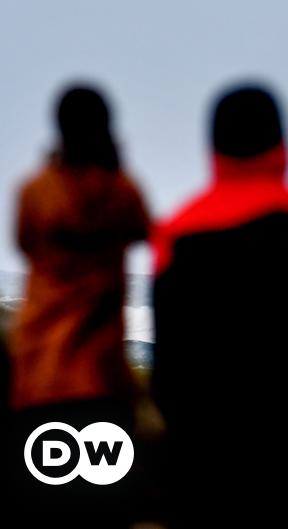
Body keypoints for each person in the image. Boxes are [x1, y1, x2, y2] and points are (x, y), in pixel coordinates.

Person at [150, 84, 288, 528]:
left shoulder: (176, 230)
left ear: (213, 146)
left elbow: (168, 362)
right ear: (281, 142)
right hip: (284, 440)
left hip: (198, 441)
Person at [4, 84, 150, 527]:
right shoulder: (121, 191)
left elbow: (24, 240)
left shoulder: (36, 191)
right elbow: (141, 229)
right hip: (101, 381)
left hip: (40, 379)